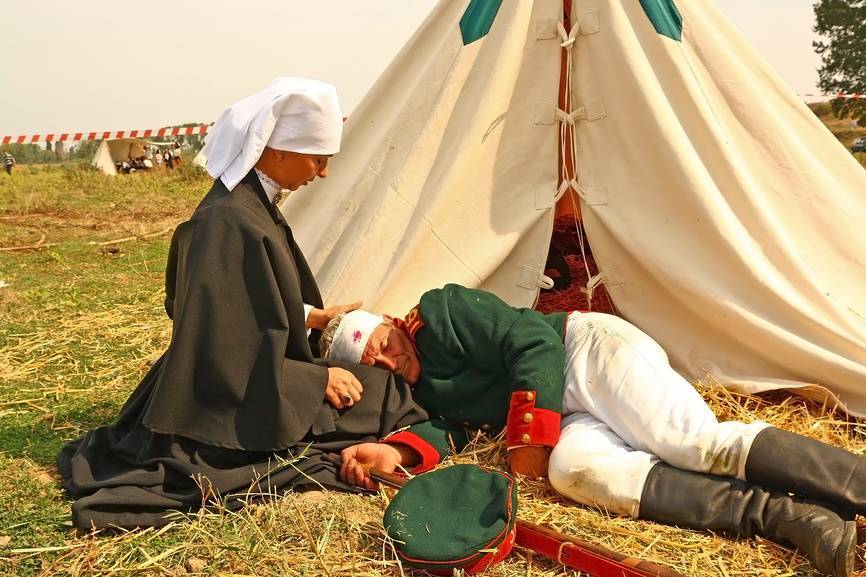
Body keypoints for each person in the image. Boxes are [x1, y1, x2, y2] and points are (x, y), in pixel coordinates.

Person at [57, 77, 432, 530]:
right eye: (318, 159)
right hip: (224, 402)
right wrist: (314, 380)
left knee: (382, 393)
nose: (323, 173)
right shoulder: (227, 222)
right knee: (384, 398)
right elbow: (221, 347)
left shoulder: (249, 207)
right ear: (277, 152)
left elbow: (241, 306)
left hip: (257, 378)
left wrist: (312, 316)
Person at [322, 284, 863, 577]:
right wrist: (396, 451)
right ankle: (797, 520)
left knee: (694, 442)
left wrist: (528, 437)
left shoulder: (442, 312)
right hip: (572, 409)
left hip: (584, 352)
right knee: (577, 473)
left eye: (387, 347)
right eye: (379, 366)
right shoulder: (425, 389)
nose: (392, 363)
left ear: (392, 326)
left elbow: (533, 340)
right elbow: (452, 429)